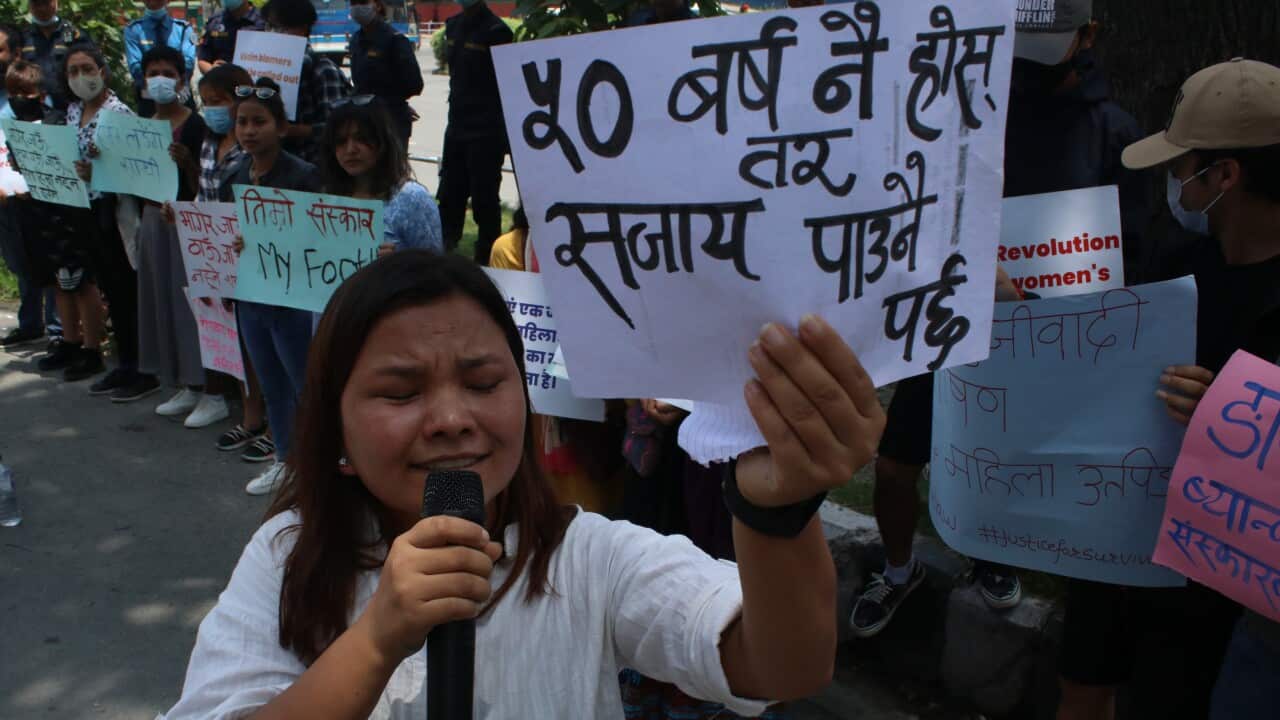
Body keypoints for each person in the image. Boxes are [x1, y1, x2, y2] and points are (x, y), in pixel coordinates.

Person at [159, 249, 883, 717]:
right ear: (335, 430)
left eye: (483, 383)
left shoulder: (589, 557)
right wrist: (377, 639)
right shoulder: (287, 557)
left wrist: (774, 510)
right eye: (401, 392)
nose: (452, 420)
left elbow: (784, 665)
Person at [849, 0, 1149, 640]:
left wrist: (1035, 296)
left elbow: (1126, 263)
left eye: (1041, 50)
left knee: (997, 467)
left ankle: (991, 554)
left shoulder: (1113, 136)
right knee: (896, 465)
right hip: (948, 325)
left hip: (1038, 343)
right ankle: (899, 570)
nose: (1022, 68)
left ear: (1088, 36)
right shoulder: (967, 112)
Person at [1051, 57, 1280, 720]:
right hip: (1124, 535)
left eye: (1182, 167)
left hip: (1215, 587)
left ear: (1225, 175)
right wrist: (1026, 307)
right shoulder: (1174, 260)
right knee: (1082, 683)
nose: (1174, 184)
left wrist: (1235, 420)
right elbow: (1103, 344)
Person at [220, 77, 320, 495]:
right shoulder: (233, 175)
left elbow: (317, 238)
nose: (249, 130)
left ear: (280, 127)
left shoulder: (304, 177)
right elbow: (223, 230)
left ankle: (318, 467)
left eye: (259, 121)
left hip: (292, 299)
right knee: (270, 383)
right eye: (242, 122)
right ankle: (284, 458)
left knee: (304, 385)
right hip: (251, 296)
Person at [127, 45, 230, 428]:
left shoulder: (197, 125)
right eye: (152, 72)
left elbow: (203, 181)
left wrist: (186, 164)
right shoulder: (141, 125)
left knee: (193, 306)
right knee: (165, 302)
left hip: (188, 225)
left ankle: (211, 390)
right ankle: (186, 383)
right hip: (154, 220)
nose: (160, 80)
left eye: (167, 73)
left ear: (182, 78)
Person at [190, 63, 275, 461]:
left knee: (268, 349)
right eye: (206, 102)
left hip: (256, 265)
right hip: (218, 256)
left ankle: (278, 428)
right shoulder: (210, 143)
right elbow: (205, 194)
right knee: (238, 341)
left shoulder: (263, 162)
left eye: (218, 101)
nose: (213, 110)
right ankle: (251, 416)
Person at [319, 98, 442, 255]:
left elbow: (435, 266)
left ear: (382, 142)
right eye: (341, 141)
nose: (350, 149)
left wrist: (398, 262)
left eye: (362, 138)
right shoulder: (325, 199)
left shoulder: (412, 200)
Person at [438, 0, 510, 264]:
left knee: (484, 200)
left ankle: (487, 259)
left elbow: (505, 84)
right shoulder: (452, 26)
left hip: (486, 131)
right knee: (449, 195)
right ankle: (444, 253)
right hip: (456, 126)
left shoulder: (497, 31)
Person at [0, 34, 60, 348]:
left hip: (47, 209)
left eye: (25, 92)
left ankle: (57, 328)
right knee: (22, 260)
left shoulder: (51, 121)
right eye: (14, 93)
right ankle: (30, 323)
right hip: (12, 201)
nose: (19, 98)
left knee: (51, 265)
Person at [262, 0, 352, 165]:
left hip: (310, 166)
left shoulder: (322, 70)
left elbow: (338, 128)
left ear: (302, 30)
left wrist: (293, 130)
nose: (273, 33)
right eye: (269, 26)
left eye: (279, 27)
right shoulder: (262, 68)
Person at [347, 0, 423, 147]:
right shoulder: (356, 40)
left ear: (377, 5)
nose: (357, 7)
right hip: (363, 121)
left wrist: (391, 101)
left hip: (391, 122)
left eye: (362, 2)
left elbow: (415, 84)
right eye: (353, 3)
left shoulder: (395, 40)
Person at [124, 0, 197, 117]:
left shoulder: (184, 29)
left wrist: (174, 86)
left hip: (181, 94)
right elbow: (135, 67)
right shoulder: (133, 30)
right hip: (149, 98)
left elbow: (188, 63)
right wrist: (156, 86)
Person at [19, 0, 92, 110]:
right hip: (35, 110)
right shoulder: (23, 37)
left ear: (57, 2)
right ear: (30, 6)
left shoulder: (73, 35)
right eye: (37, 4)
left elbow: (93, 69)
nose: (42, 8)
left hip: (71, 108)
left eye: (47, 3)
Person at [197, 0, 265, 76]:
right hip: (220, 81)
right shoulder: (215, 21)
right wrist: (213, 71)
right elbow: (202, 59)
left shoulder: (264, 21)